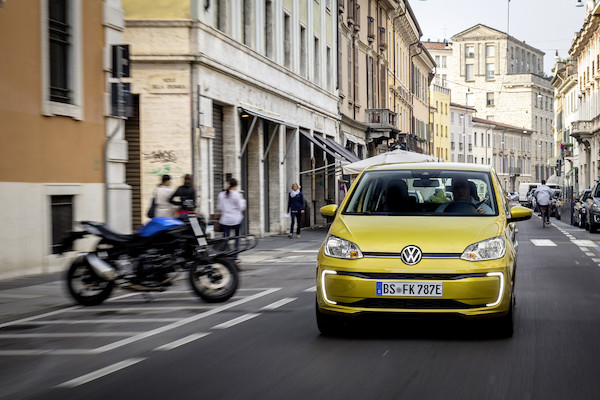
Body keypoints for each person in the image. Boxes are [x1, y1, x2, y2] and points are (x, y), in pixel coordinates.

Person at [217, 178, 246, 257]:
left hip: (225, 220)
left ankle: (226, 254)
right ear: (235, 186)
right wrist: (242, 200)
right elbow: (241, 207)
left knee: (225, 238)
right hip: (236, 219)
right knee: (237, 237)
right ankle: (235, 255)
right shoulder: (237, 195)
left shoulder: (221, 194)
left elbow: (219, 207)